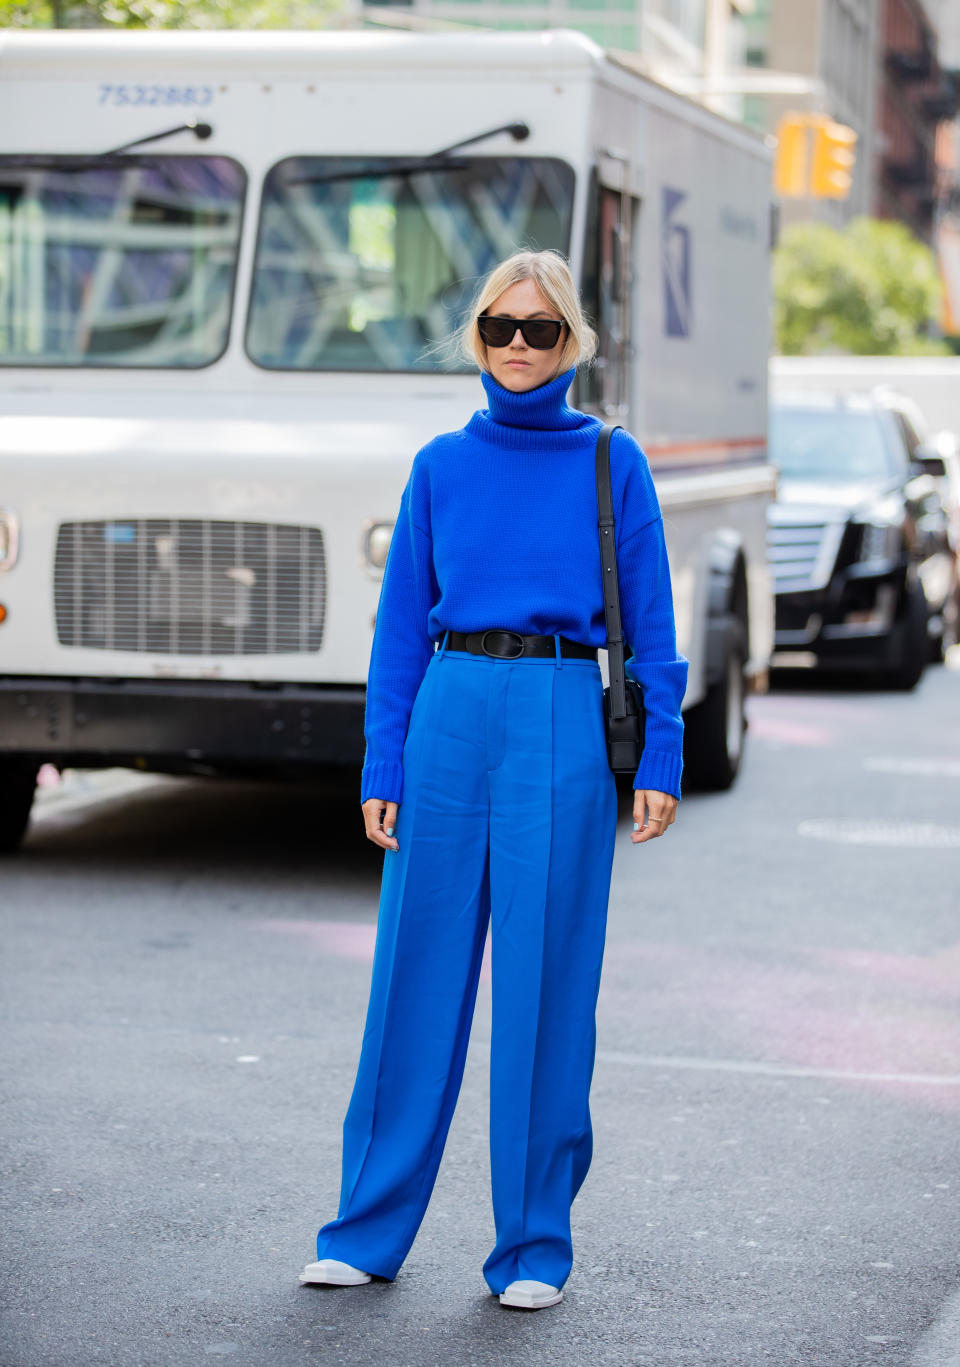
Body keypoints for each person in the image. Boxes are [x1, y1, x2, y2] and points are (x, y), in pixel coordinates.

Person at [300, 249, 688, 1310]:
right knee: (412, 978)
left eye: (542, 330)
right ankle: (365, 1228)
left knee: (546, 984)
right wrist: (383, 759)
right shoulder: (438, 464)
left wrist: (661, 751)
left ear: (574, 343)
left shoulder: (615, 463)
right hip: (451, 708)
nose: (520, 345)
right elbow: (395, 636)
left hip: (563, 711)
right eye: (501, 328)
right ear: (477, 337)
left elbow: (652, 629)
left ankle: (532, 1246)